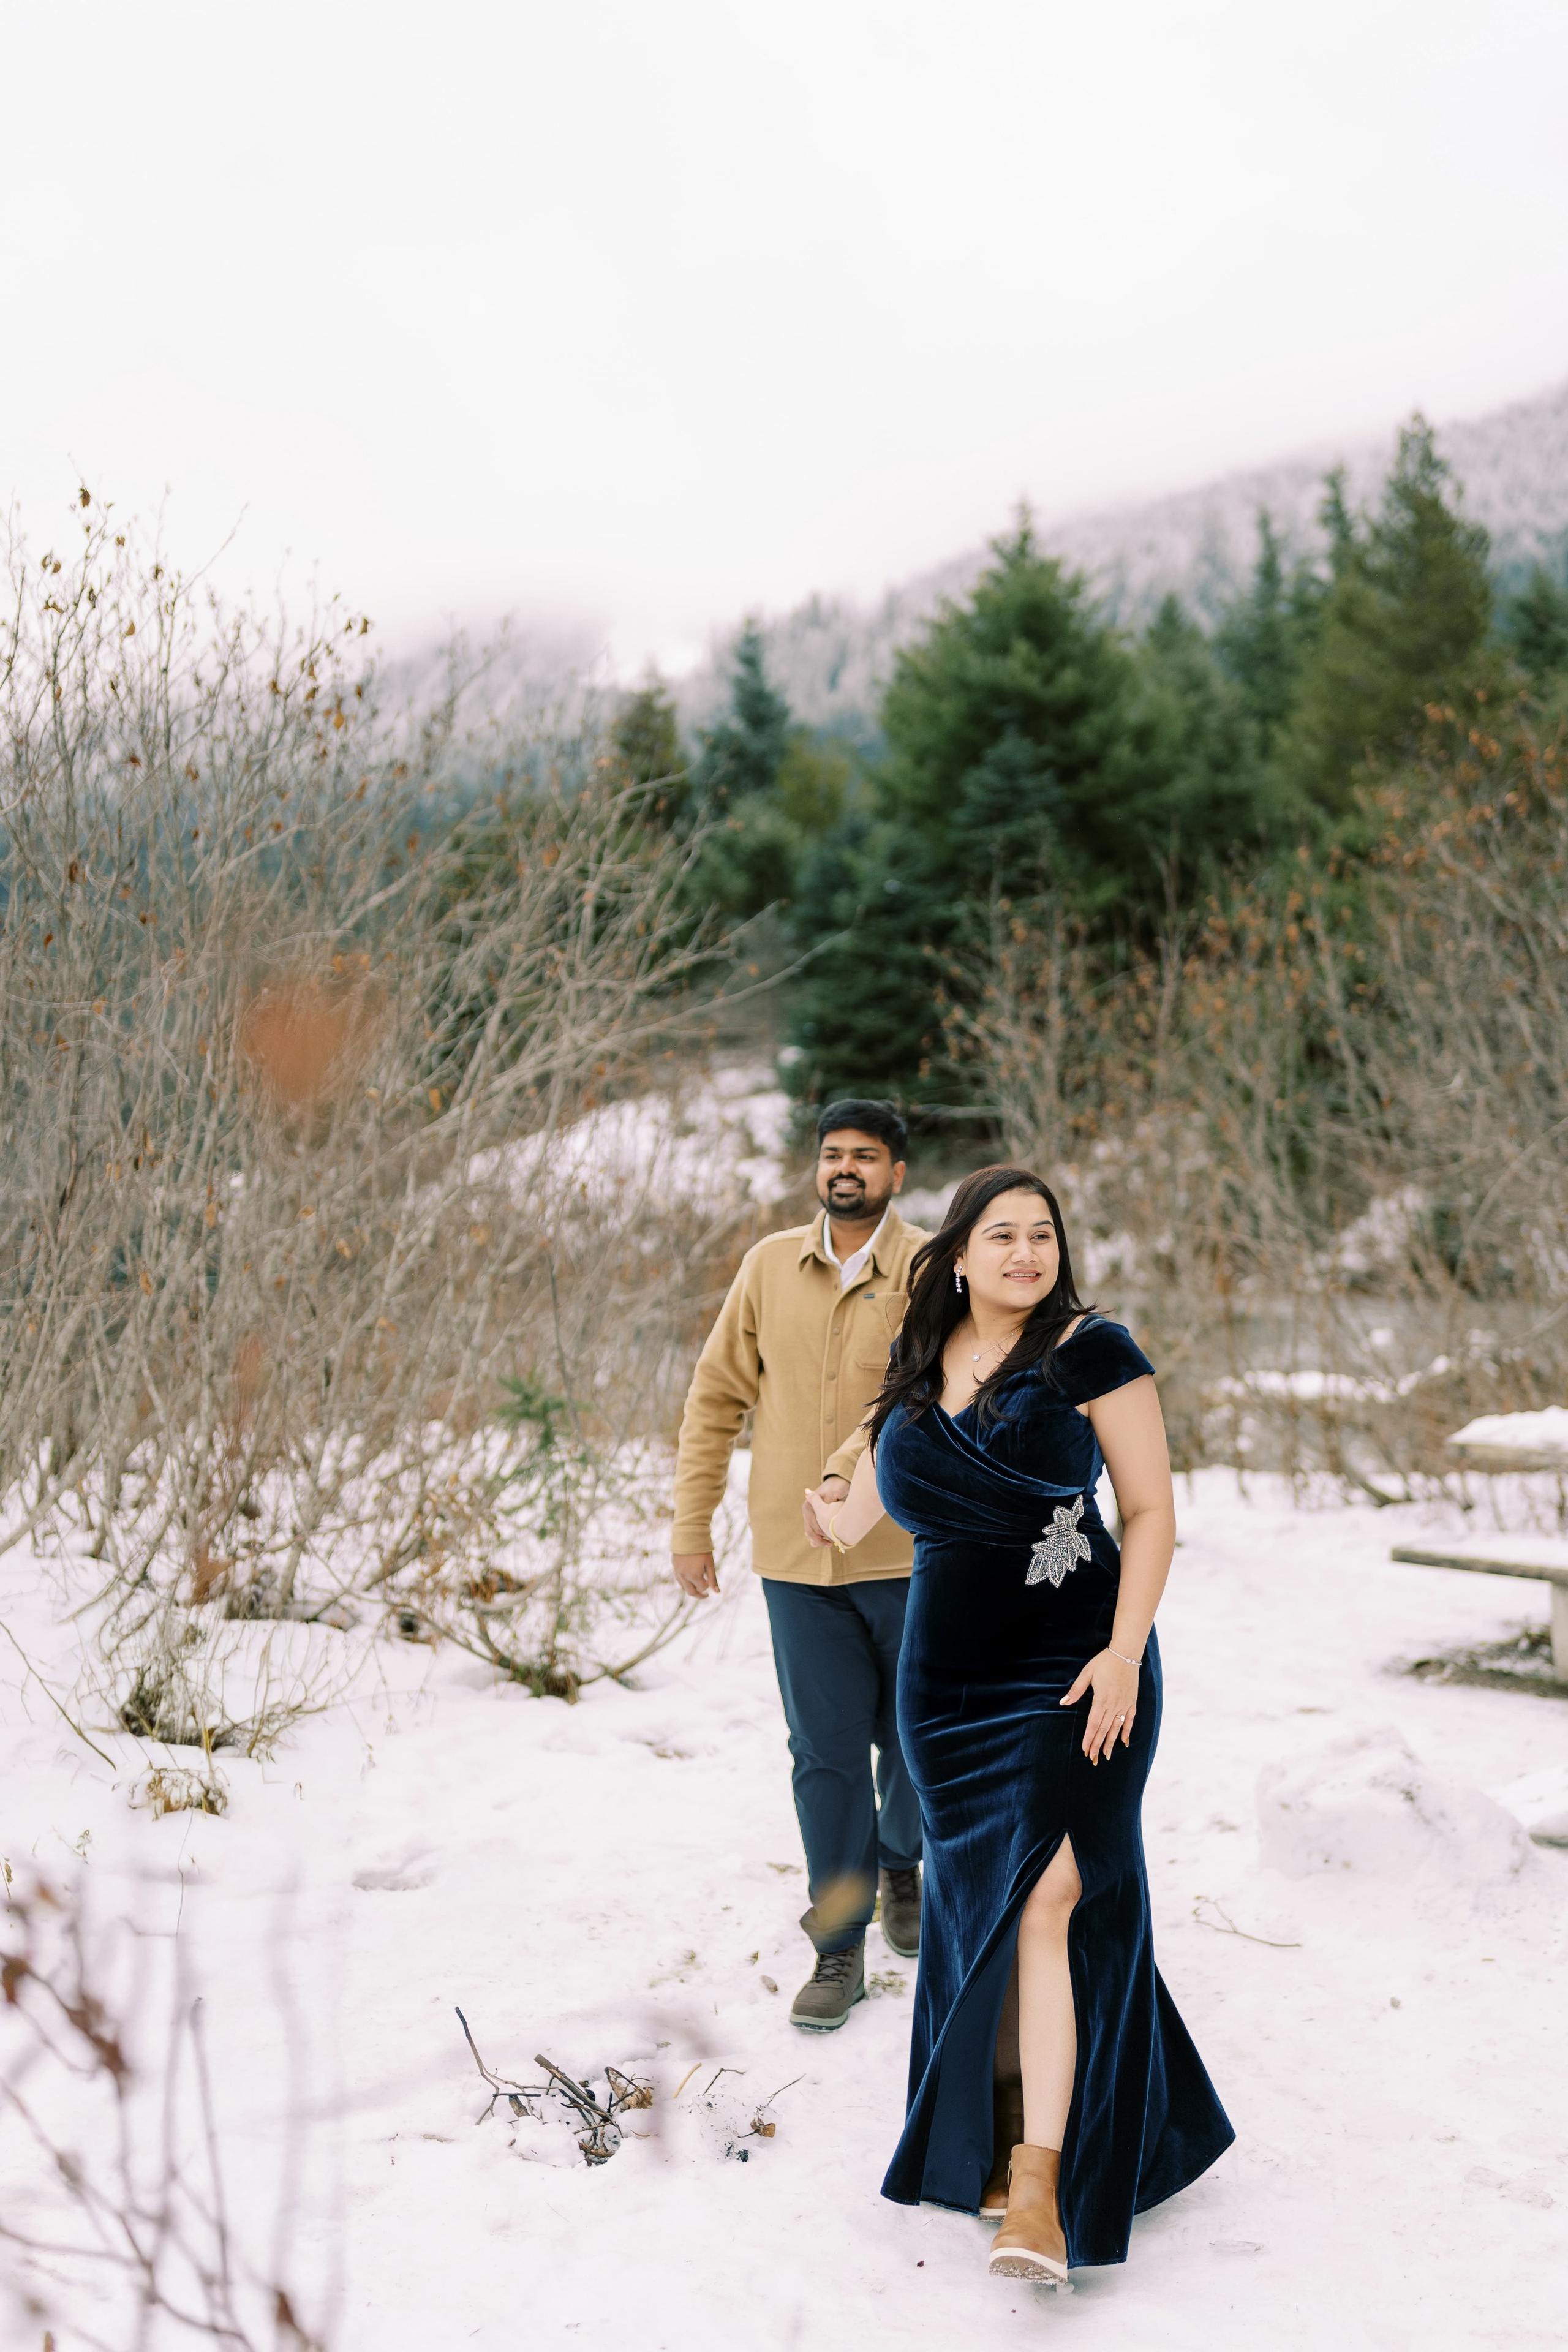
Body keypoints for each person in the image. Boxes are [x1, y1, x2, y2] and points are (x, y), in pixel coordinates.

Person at [807, 1165, 1233, 2285]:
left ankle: (1039, 2187)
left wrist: (1125, 1652)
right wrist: (823, 1489)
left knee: (1054, 1894)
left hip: (1077, 1669)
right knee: (986, 1905)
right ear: (956, 1256)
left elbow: (1149, 1510)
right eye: (1001, 1235)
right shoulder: (909, 1380)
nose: (1025, 1253)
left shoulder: (1093, 1350)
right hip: (944, 1696)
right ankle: (1016, 2126)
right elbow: (850, 1516)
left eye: (1042, 1235)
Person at [671, 1101, 932, 2031]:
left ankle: (904, 1862)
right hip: (795, 1558)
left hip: (911, 1555)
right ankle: (839, 1941)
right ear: (815, 1169)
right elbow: (716, 1396)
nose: (847, 1169)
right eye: (833, 1156)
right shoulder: (768, 1266)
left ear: (898, 1173)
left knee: (910, 1739)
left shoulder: (935, 1267)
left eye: (867, 1156)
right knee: (823, 1755)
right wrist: (689, 1520)